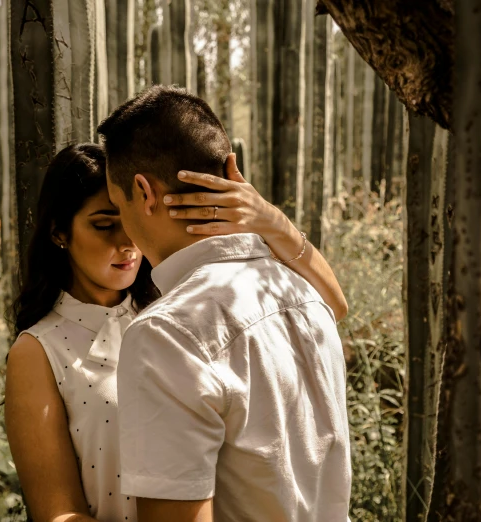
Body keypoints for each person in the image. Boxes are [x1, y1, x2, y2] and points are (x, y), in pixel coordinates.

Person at [5, 140, 348, 522]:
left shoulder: (180, 312)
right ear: (58, 233)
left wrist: (268, 219)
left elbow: (329, 306)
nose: (126, 243)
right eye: (103, 224)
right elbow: (58, 512)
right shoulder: (39, 350)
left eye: (127, 220)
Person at [99, 85, 351, 522]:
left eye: (118, 205)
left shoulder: (166, 335)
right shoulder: (304, 294)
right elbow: (339, 304)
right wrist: (276, 223)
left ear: (144, 192)